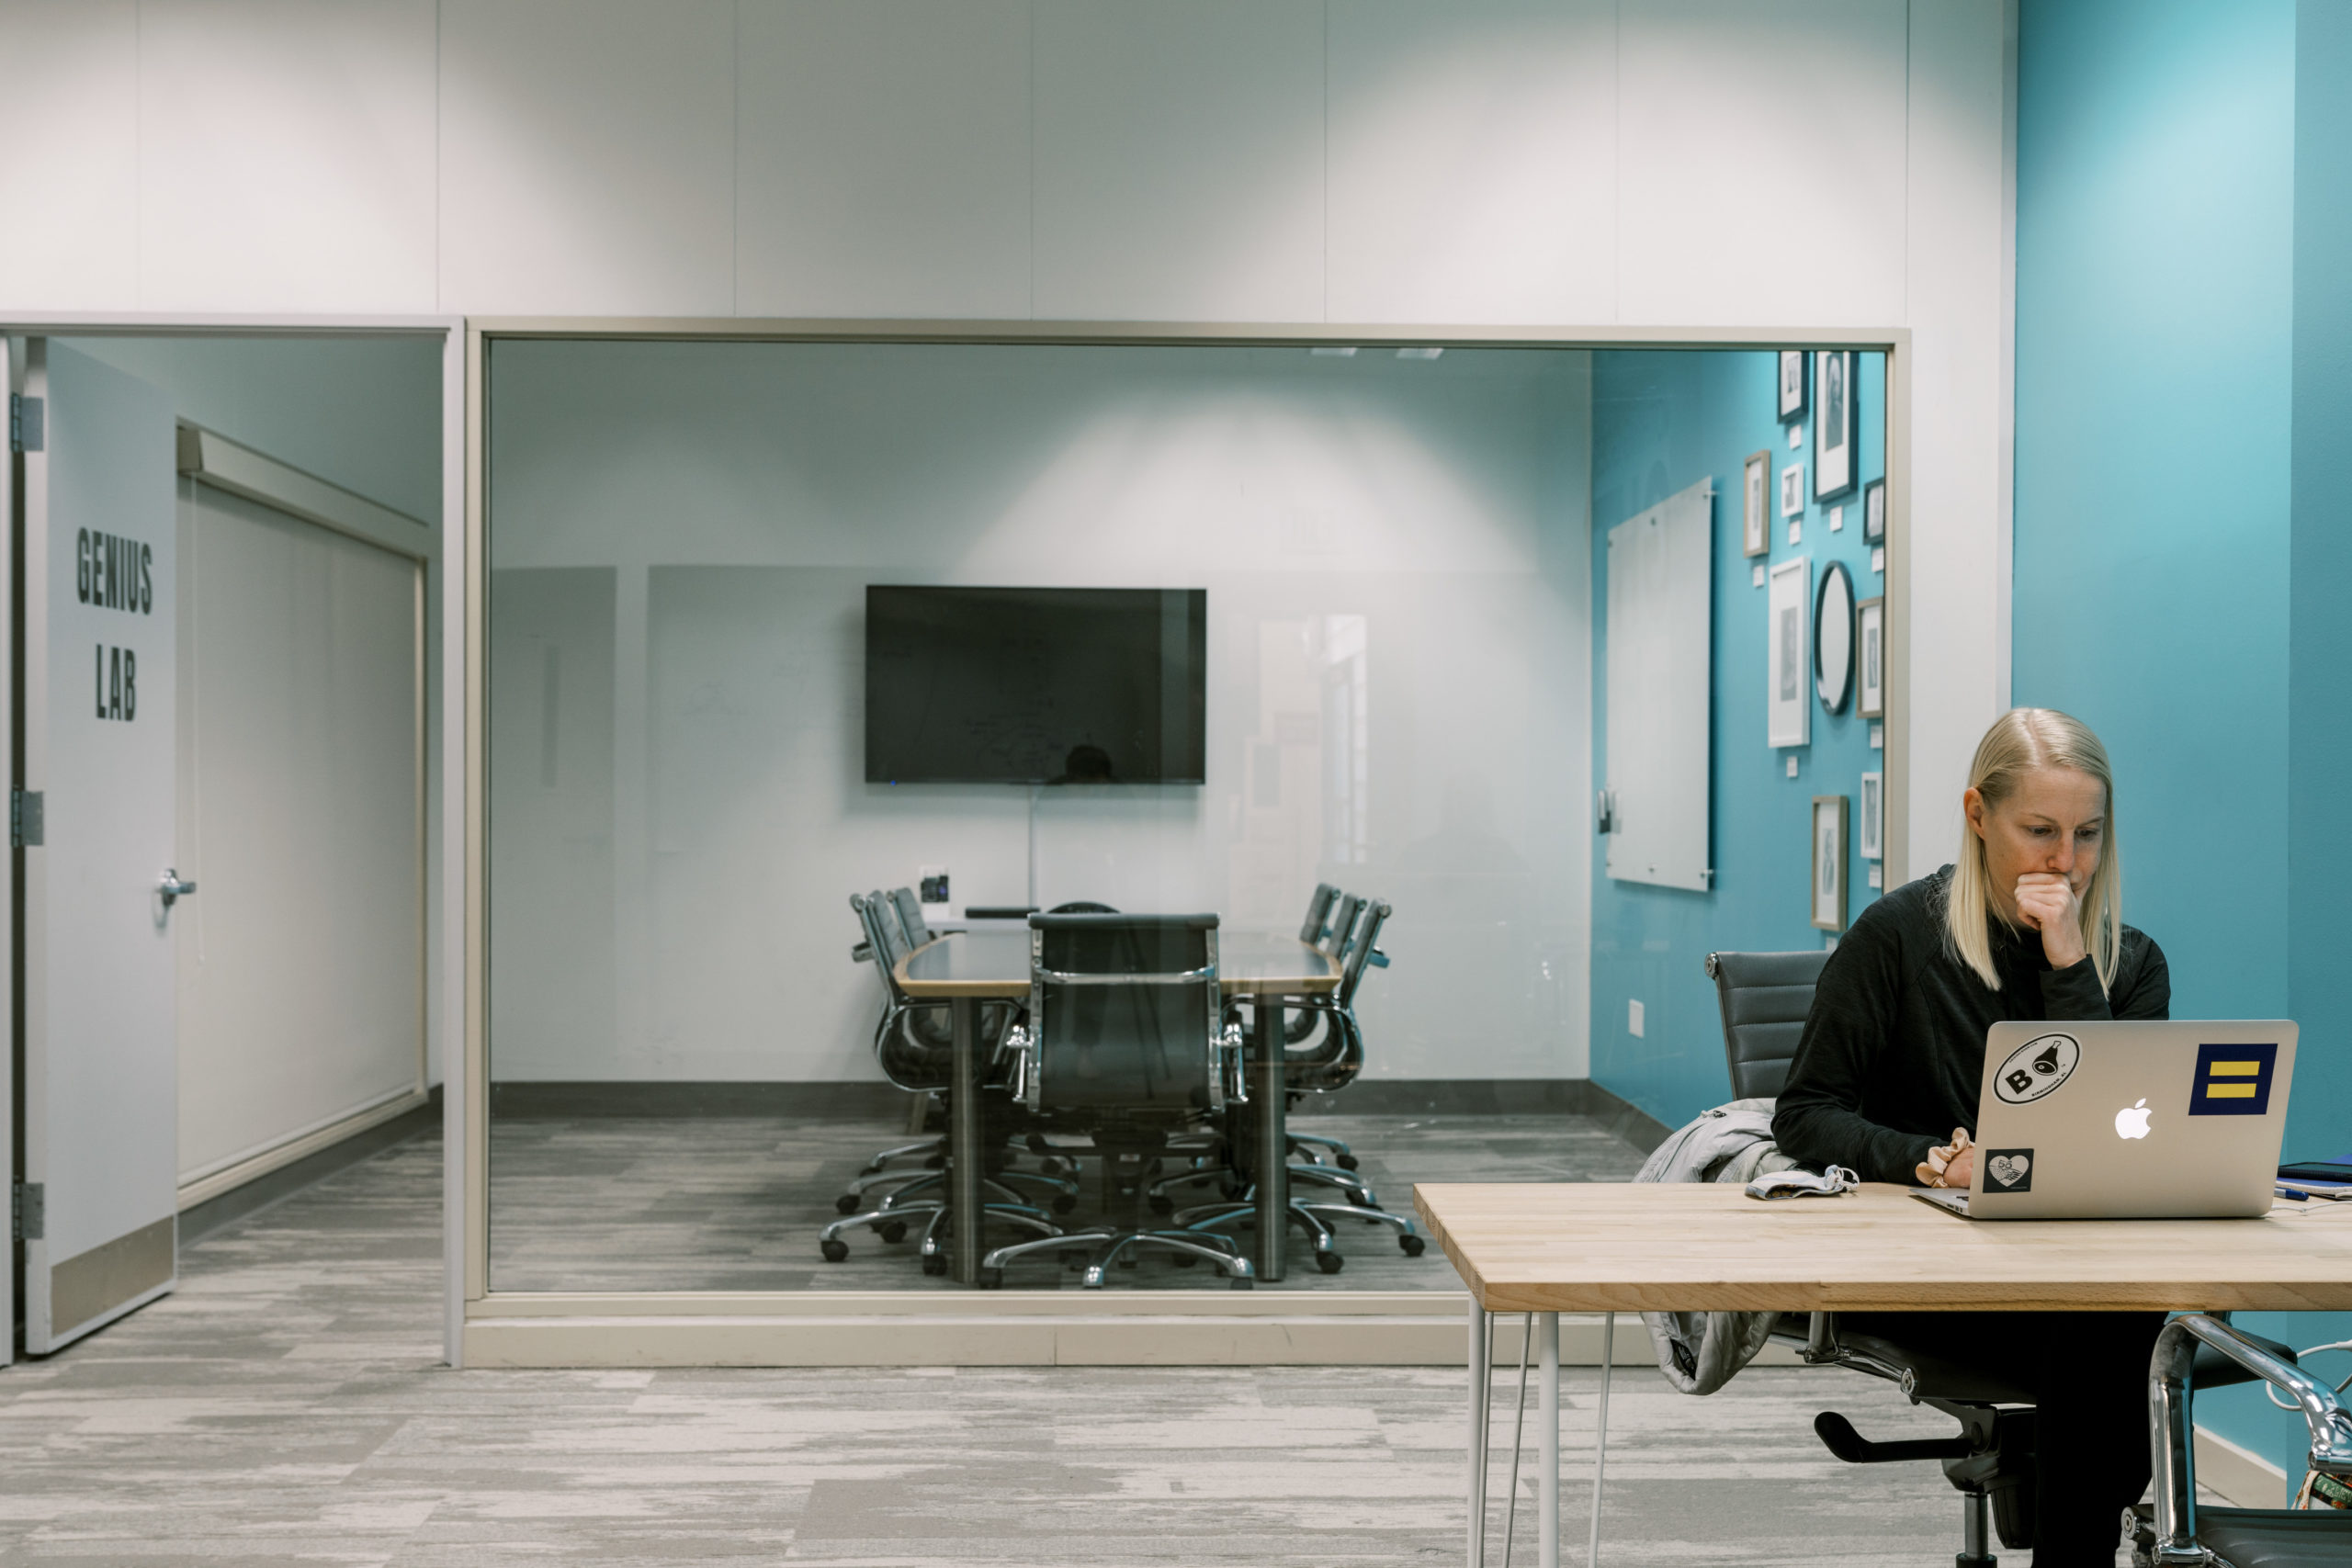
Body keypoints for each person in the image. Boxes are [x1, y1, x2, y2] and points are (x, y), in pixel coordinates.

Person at [1773, 707, 2170, 1568]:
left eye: (2087, 834)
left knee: (2111, 1316)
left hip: (2077, 1275)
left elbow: (2111, 1139)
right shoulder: (1898, 937)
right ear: (1976, 814)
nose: (2064, 861)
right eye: (2039, 831)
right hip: (1936, 1274)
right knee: (2107, 1332)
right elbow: (1804, 1112)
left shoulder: (2128, 963)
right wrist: (1924, 1156)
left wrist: (2070, 967)